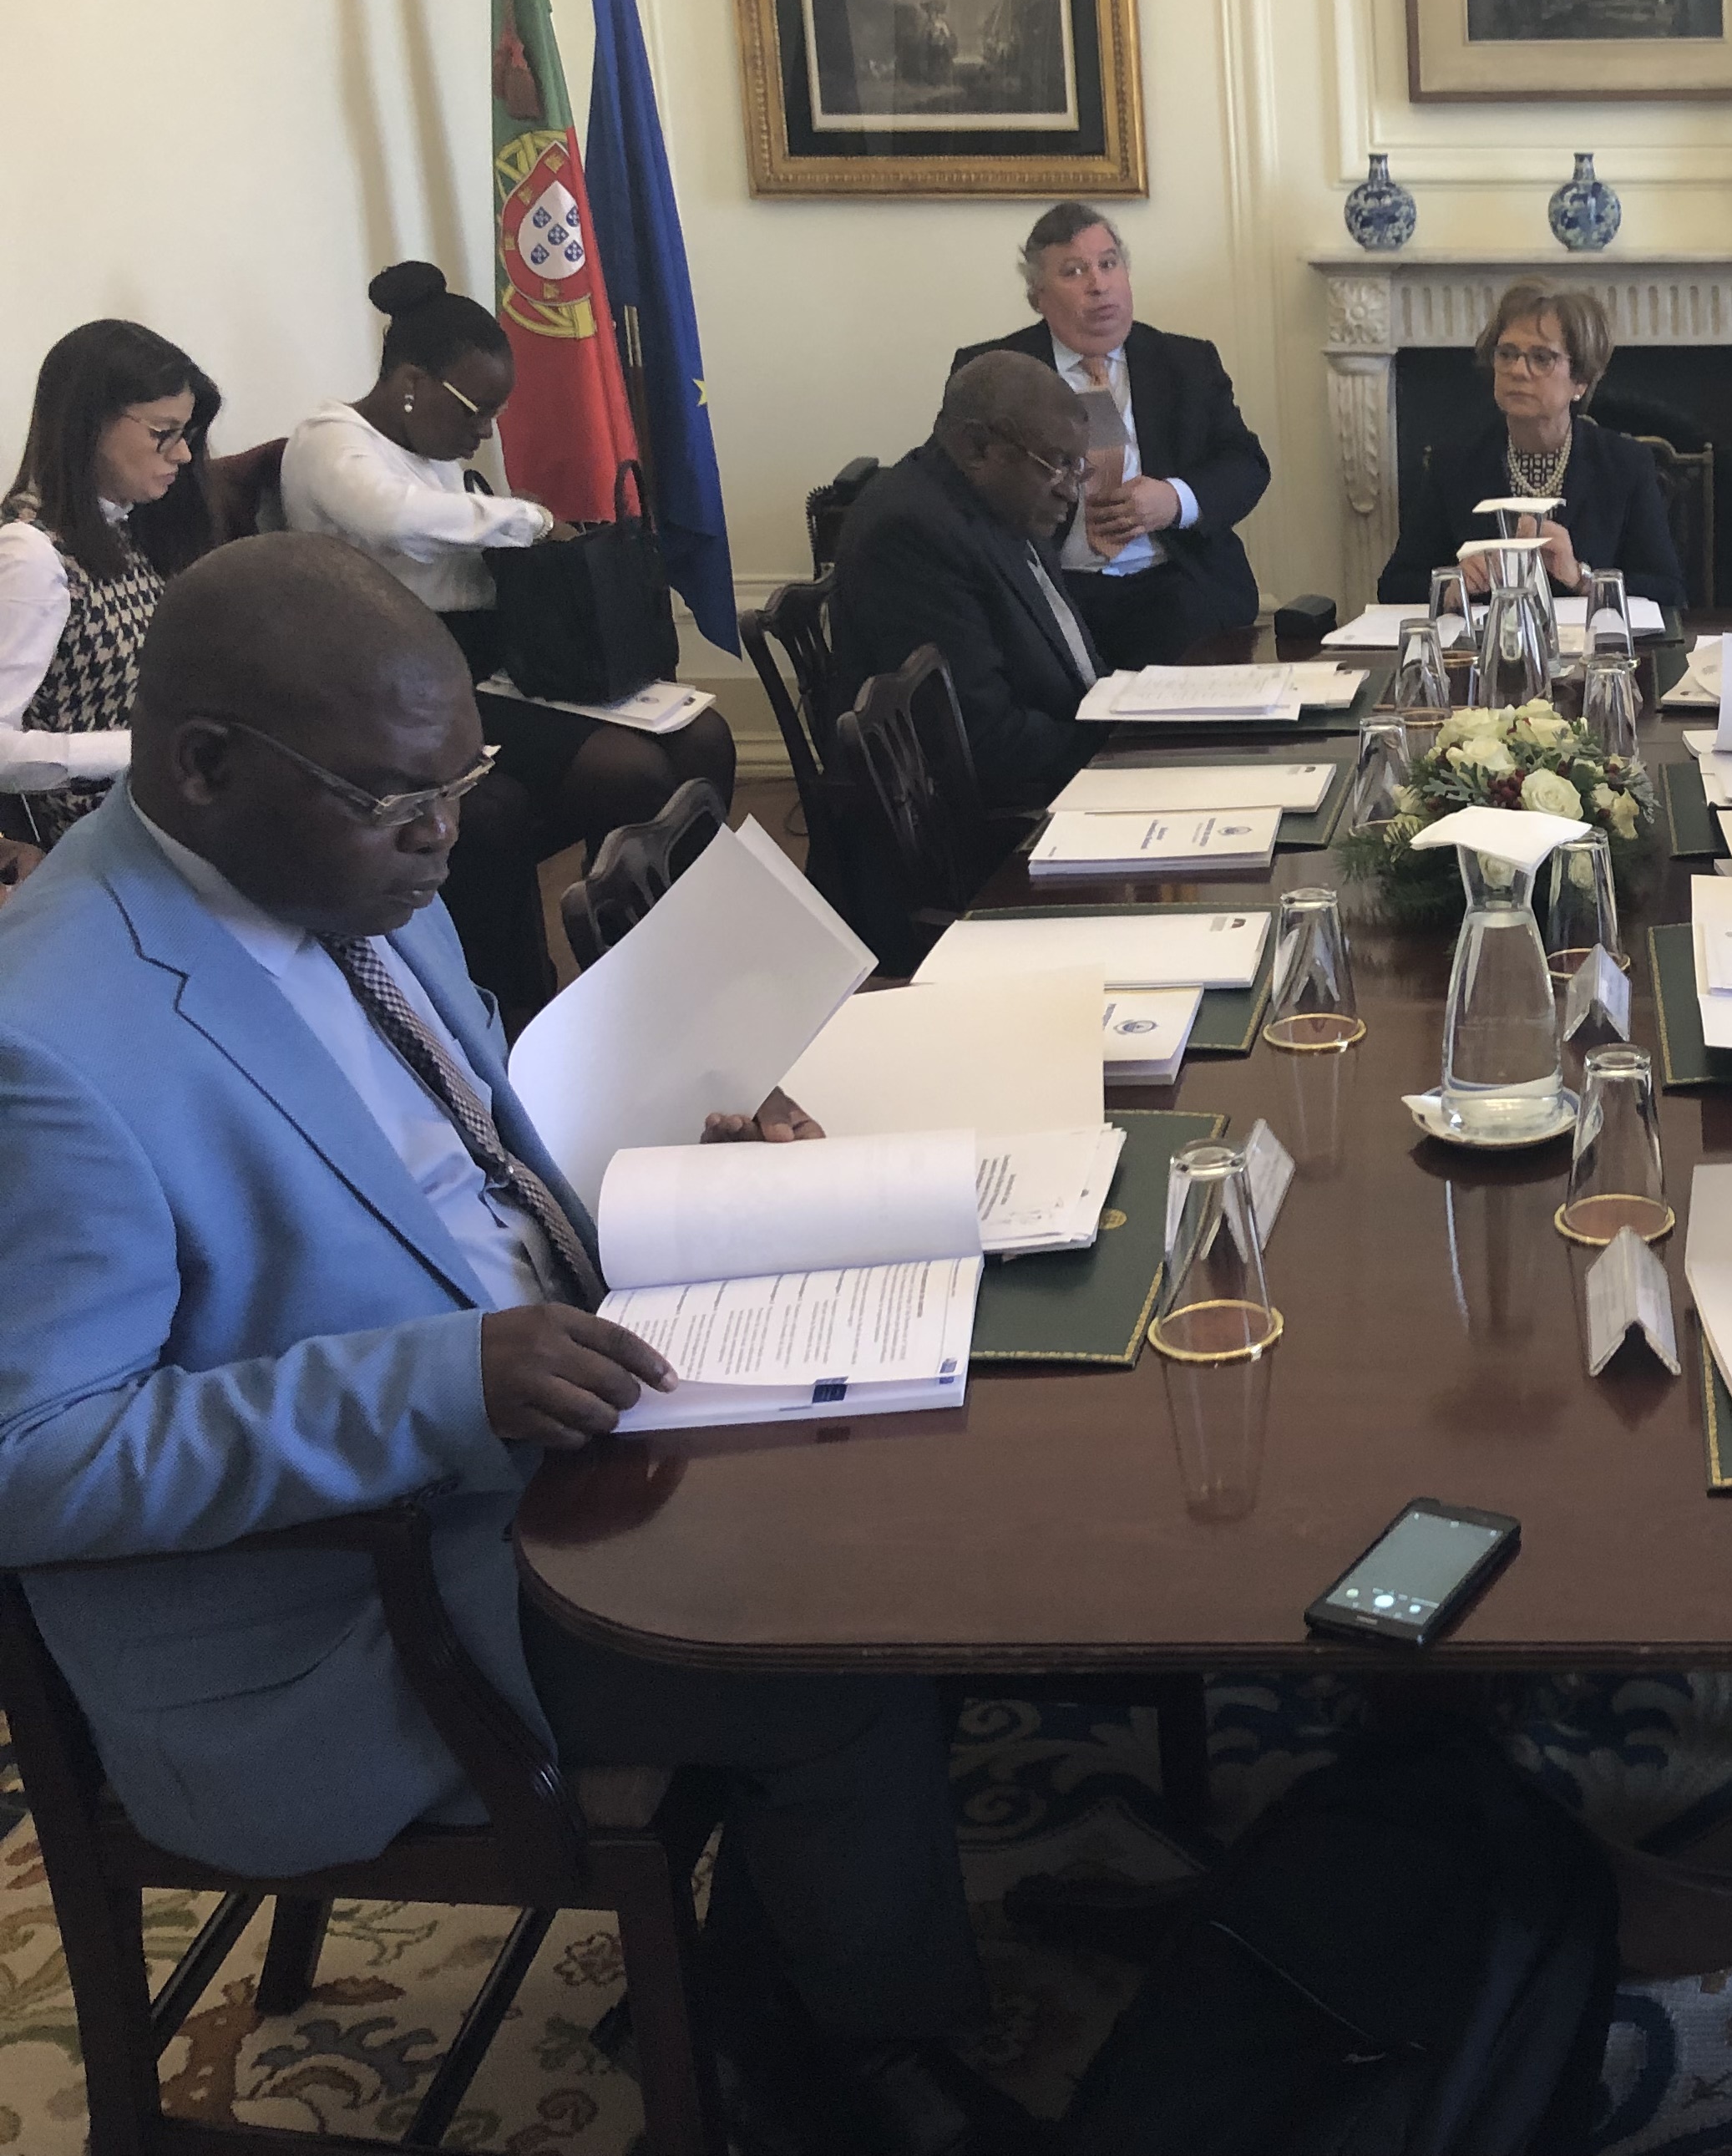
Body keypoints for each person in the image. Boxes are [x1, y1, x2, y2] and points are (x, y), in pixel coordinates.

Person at [0, 535, 1036, 2153]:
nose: (452, 833)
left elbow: (476, 1178)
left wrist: (678, 1179)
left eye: (460, 782)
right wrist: (442, 1382)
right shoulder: (47, 1040)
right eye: (398, 798)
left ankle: (758, 1991)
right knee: (842, 1657)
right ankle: (847, 2069)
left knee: (932, 1488)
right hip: (354, 1607)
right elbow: (33, 1460)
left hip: (545, 1447)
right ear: (202, 765)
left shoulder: (347, 874)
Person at [283, 261, 736, 1022]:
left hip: (485, 665)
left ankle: (684, 967)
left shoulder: (432, 452)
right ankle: (607, 992)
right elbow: (395, 519)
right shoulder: (331, 441)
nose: (485, 432)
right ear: (413, 384)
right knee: (627, 770)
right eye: (477, 410)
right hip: (400, 687)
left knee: (703, 737)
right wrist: (528, 519)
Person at [950, 203, 1273, 670]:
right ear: (1037, 295)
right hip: (1052, 586)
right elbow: (960, 491)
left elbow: (1245, 464)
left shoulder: (1186, 362)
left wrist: (1174, 500)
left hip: (1172, 578)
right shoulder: (991, 373)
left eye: (1108, 264)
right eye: (1074, 271)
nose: (1098, 285)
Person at [833, 352, 1100, 809]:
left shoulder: (999, 501)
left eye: (1077, 467)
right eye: (1056, 464)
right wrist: (1118, 746)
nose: (1070, 491)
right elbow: (982, 740)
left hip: (1057, 762)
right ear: (977, 447)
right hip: (1003, 817)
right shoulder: (912, 533)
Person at [2, 320, 222, 840]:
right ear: (88, 424)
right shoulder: (31, 553)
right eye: (163, 434)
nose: (182, 455)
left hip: (163, 801)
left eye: (186, 435)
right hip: (95, 830)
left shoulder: (133, 524)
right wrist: (144, 746)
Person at [1371, 280, 1689, 611]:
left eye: (1541, 358)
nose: (1518, 371)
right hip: (1487, 641)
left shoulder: (1625, 463)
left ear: (1580, 380)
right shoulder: (1454, 462)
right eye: (1507, 354)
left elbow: (1668, 590)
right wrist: (1451, 585)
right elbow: (1395, 585)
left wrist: (1582, 579)